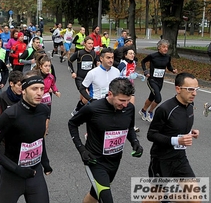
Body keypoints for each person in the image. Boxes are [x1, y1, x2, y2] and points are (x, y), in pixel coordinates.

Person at [68, 77, 143, 203]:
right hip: (95, 161)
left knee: (95, 195)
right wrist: (81, 149)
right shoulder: (93, 108)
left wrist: (135, 142)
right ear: (110, 94)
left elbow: (129, 128)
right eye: (121, 100)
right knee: (106, 198)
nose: (125, 104)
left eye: (128, 100)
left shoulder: (129, 108)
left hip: (115, 160)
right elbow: (72, 124)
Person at [0, 70, 53, 203]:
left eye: (42, 89)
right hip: (12, 176)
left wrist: (45, 161)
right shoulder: (11, 115)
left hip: (35, 173)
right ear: (23, 91)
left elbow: (39, 138)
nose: (39, 93)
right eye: (34, 89)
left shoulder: (44, 110)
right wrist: (16, 169)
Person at [147, 73, 200, 202]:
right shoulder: (165, 109)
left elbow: (176, 126)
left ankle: (167, 197)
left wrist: (191, 132)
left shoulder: (190, 105)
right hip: (161, 161)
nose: (194, 93)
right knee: (153, 200)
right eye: (190, 89)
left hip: (180, 159)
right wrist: (176, 140)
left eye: (196, 89)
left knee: (195, 199)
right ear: (178, 89)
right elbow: (151, 134)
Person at [139, 39, 177, 122]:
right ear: (159, 47)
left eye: (167, 47)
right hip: (152, 80)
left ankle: (143, 111)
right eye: (164, 47)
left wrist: (173, 70)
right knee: (158, 98)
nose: (166, 49)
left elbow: (169, 66)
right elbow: (143, 62)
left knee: (152, 97)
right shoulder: (153, 56)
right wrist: (145, 71)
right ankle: (150, 112)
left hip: (160, 81)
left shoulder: (168, 57)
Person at [68, 36, 98, 116]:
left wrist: (98, 64)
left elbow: (96, 64)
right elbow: (70, 61)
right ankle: (76, 110)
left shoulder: (94, 53)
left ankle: (81, 110)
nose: (91, 45)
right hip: (80, 78)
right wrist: (72, 72)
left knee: (83, 97)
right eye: (89, 43)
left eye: (92, 43)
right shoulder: (79, 53)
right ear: (84, 44)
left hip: (90, 79)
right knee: (86, 96)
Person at [34, 54, 60, 135]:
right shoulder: (35, 75)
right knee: (36, 114)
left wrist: (56, 91)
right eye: (45, 66)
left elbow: (53, 85)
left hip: (46, 97)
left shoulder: (51, 77)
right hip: (37, 97)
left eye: (49, 66)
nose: (48, 68)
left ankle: (45, 130)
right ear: (40, 66)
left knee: (47, 114)